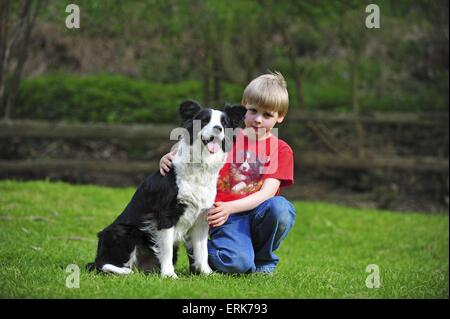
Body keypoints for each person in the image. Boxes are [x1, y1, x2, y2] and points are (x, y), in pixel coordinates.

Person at [160, 71, 296, 274]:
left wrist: (230, 207)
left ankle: (263, 260)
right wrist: (165, 157)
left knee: (280, 208)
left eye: (267, 115)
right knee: (237, 264)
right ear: (243, 108)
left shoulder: (281, 149)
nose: (258, 120)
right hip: (224, 218)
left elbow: (267, 193)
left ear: (280, 117)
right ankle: (199, 249)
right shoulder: (226, 135)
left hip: (256, 213)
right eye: (253, 111)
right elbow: (184, 148)